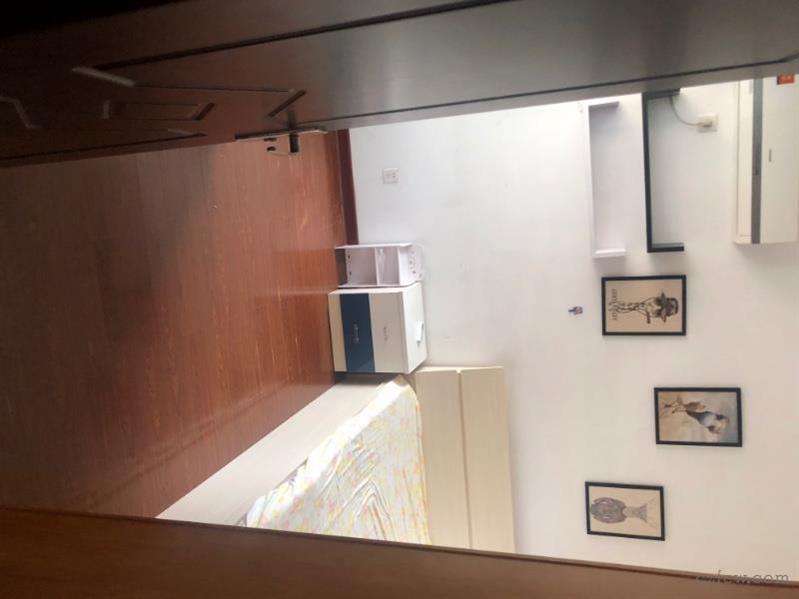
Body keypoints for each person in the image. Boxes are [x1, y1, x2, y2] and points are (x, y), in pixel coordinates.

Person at [608, 291, 679, 324]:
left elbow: (653, 316)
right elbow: (657, 296)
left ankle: (615, 307)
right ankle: (615, 306)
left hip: (649, 309)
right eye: (671, 306)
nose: (669, 309)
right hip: (649, 305)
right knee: (632, 306)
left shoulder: (661, 313)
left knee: (632, 306)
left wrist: (648, 314)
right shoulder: (658, 300)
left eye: (671, 311)